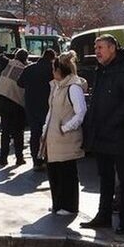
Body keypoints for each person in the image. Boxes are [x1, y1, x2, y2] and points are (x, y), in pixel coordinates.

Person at [79, 34, 124, 234]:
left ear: (112, 48)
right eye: (96, 47)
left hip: (119, 132)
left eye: (101, 47)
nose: (97, 51)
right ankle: (103, 215)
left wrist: (113, 122)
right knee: (104, 176)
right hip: (101, 133)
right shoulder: (102, 69)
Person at [41, 52, 87, 215]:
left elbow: (80, 112)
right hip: (53, 138)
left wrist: (66, 127)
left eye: (53, 69)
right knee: (54, 171)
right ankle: (58, 203)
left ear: (59, 70)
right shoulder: (56, 86)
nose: (52, 72)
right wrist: (45, 129)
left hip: (66, 138)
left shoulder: (73, 87)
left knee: (67, 172)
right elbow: (51, 110)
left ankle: (69, 206)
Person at [19, 49, 56, 171]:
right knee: (47, 134)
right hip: (47, 106)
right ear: (52, 59)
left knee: (35, 134)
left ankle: (36, 161)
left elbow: (20, 83)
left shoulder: (29, 69)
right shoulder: (52, 71)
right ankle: (47, 160)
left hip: (31, 105)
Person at [0, 48, 28, 166]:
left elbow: (1, 56)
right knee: (18, 132)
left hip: (4, 100)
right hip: (18, 103)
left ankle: (3, 158)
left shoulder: (8, 63)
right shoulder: (25, 69)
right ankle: (19, 158)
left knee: (5, 131)